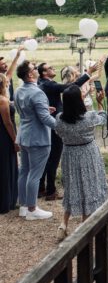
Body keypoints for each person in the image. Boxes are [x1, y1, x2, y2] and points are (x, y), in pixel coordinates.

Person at [54, 85, 108, 240]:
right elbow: (103, 118)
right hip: (87, 153)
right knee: (89, 185)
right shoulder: (89, 117)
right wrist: (100, 103)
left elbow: (58, 132)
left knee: (72, 187)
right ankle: (85, 227)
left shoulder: (59, 118)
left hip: (69, 154)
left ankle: (63, 224)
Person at [37, 60, 96, 201]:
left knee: (47, 157)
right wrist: (88, 74)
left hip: (46, 122)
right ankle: (51, 191)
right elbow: (71, 87)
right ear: (44, 73)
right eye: (50, 67)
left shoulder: (41, 82)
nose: (53, 68)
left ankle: (41, 188)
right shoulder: (49, 84)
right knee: (54, 157)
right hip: (54, 123)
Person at [15, 61, 57, 220]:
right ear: (30, 74)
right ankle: (32, 210)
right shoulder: (38, 92)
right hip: (38, 138)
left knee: (24, 171)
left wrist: (45, 109)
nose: (37, 69)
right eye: (34, 68)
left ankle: (24, 207)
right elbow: (45, 119)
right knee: (35, 174)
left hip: (24, 135)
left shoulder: (19, 90)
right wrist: (61, 126)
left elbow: (24, 110)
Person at [0, 73, 18, 214]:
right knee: (6, 167)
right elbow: (7, 122)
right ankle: (6, 202)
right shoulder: (2, 101)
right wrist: (15, 140)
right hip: (4, 137)